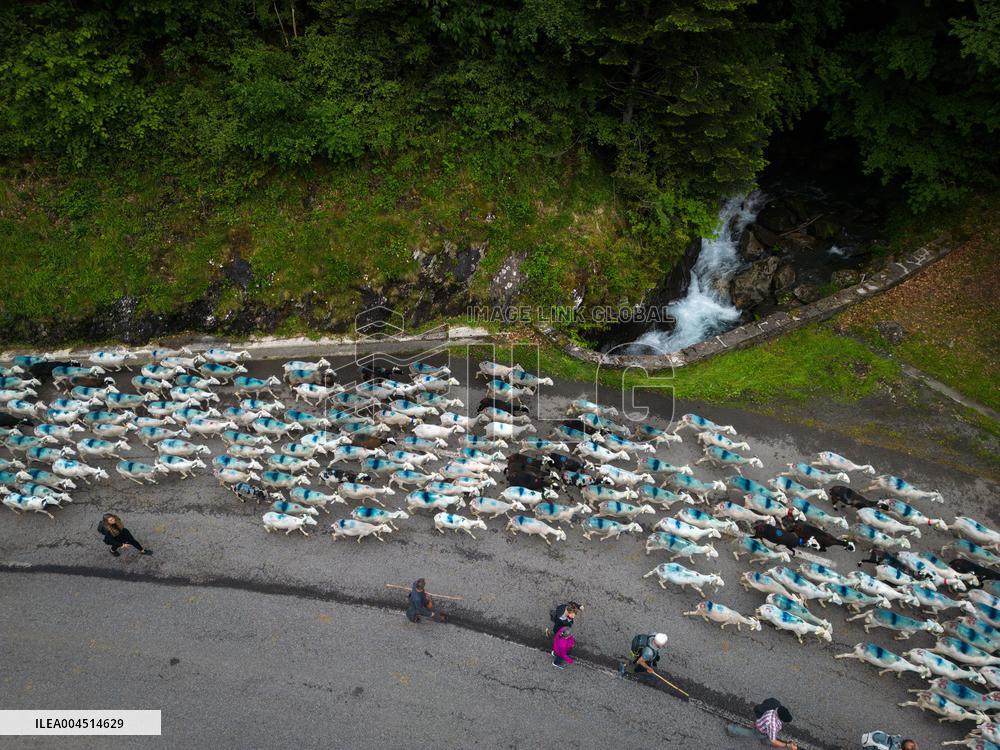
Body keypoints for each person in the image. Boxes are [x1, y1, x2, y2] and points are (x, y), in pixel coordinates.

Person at [726, 698, 796, 749]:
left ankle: (764, 740)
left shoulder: (776, 706)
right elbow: (773, 740)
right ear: (781, 719)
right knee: (747, 733)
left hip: (760, 723)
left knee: (764, 735)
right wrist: (787, 745)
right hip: (760, 731)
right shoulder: (772, 725)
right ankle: (731, 729)